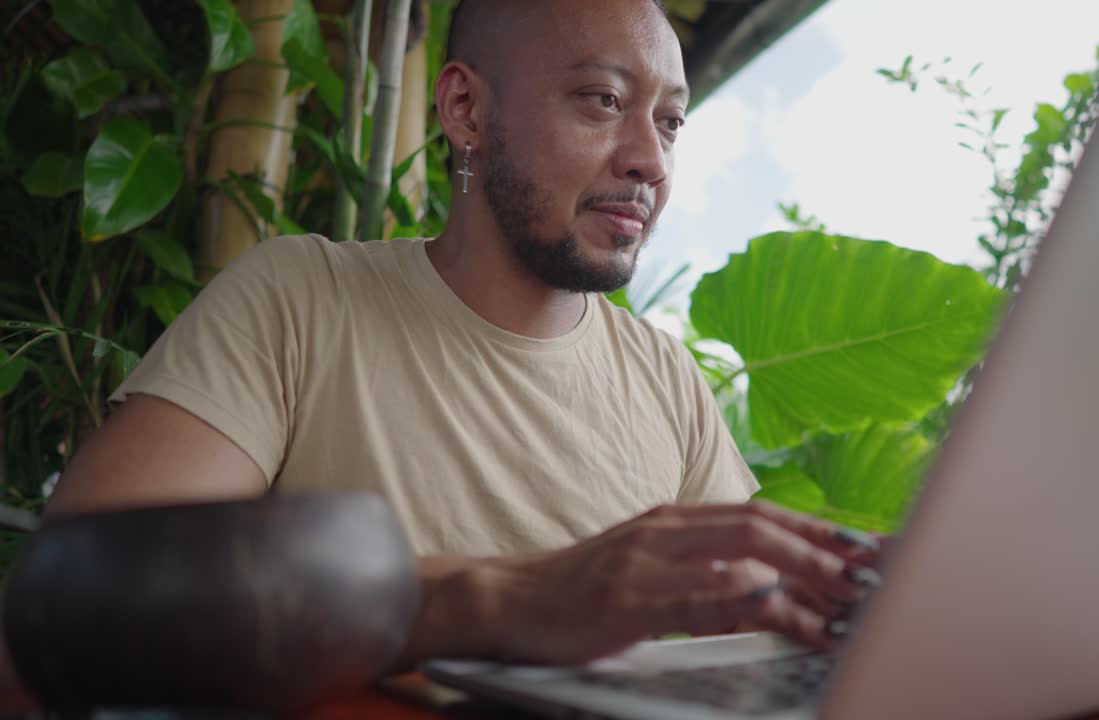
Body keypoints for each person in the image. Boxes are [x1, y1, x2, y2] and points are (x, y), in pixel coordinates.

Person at [9, 0, 880, 694]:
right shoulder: (302, 297)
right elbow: (71, 611)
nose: (650, 158)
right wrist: (497, 599)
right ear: (465, 107)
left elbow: (758, 629)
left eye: (671, 122)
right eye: (604, 100)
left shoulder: (668, 382)